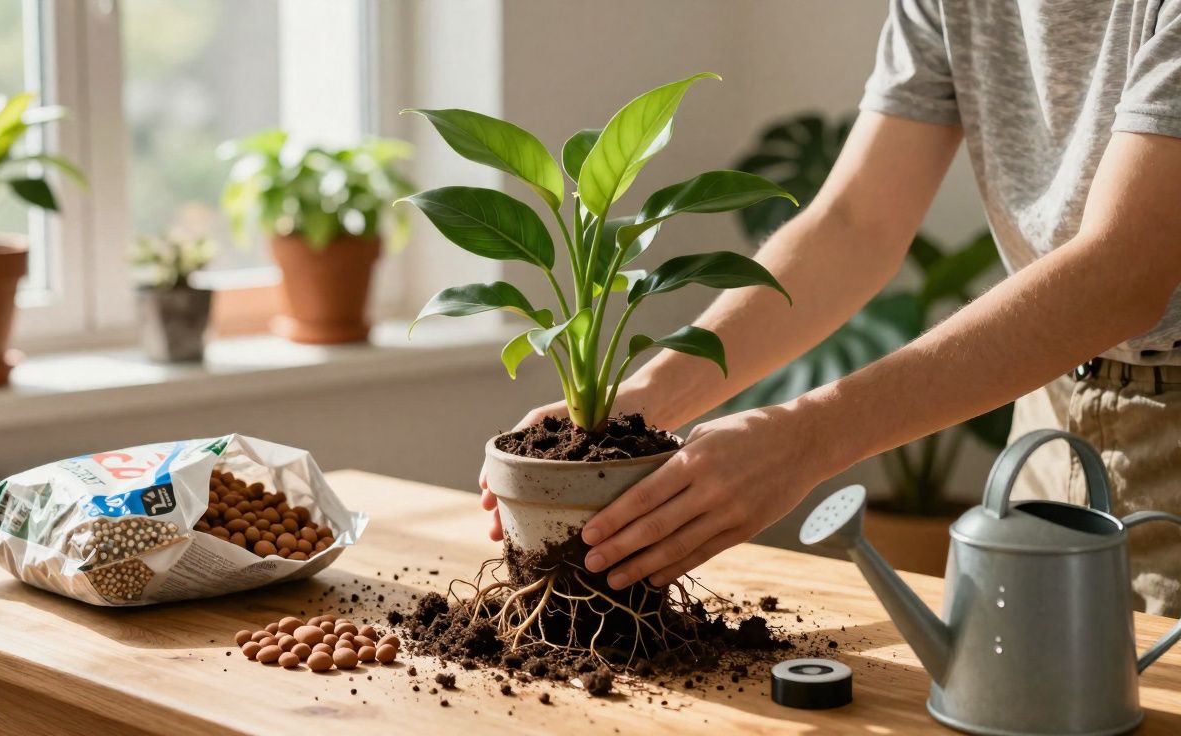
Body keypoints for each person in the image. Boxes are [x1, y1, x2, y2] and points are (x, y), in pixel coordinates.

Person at [481, 0, 1181, 616]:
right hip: (1048, 416)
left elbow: (1123, 271)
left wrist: (804, 439)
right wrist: (644, 400)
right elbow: (855, 224)